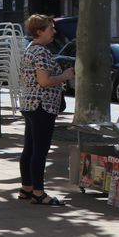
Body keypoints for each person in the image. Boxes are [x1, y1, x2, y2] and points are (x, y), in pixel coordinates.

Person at [18, 14, 74, 206]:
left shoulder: (30, 49)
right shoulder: (41, 52)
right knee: (39, 150)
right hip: (42, 106)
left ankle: (27, 188)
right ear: (39, 31)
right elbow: (44, 81)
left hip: (29, 104)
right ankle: (39, 192)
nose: (54, 31)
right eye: (51, 28)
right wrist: (64, 76)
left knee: (30, 148)